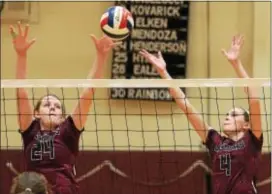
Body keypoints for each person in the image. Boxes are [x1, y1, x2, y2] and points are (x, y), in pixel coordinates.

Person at [140, 35, 263, 194]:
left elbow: (254, 99)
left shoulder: (252, 140)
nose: (227, 117)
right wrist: (164, 73)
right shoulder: (216, 142)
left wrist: (236, 63)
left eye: (233, 115)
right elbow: (186, 107)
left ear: (246, 125)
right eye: (227, 114)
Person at [10, 22, 117, 194]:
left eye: (57, 106)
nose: (52, 108)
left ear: (62, 116)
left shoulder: (68, 132)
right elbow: (21, 92)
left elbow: (87, 93)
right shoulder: (30, 131)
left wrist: (101, 56)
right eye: (46, 104)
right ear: (36, 113)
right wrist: (21, 55)